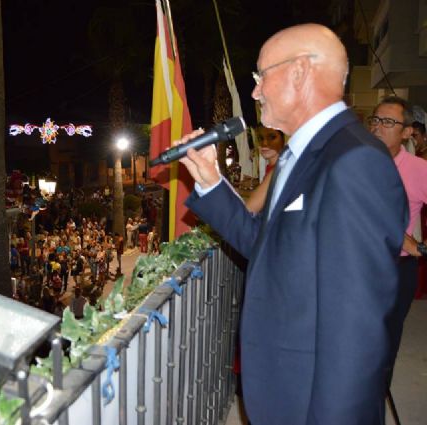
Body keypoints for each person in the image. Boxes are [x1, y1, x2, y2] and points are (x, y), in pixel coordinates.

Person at [178, 24, 408, 424]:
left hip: (311, 402)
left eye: (260, 76)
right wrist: (210, 182)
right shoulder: (297, 155)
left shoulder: (355, 161)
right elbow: (267, 247)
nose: (254, 91)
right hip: (283, 389)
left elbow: (358, 325)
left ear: (300, 72)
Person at [368, 96, 427, 353]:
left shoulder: (418, 169)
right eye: (376, 120)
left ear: (406, 132)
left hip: (396, 268)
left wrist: (421, 248)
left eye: (389, 122)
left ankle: (377, 392)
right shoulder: (354, 163)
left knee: (384, 344)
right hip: (354, 264)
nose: (378, 127)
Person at [245, 125, 286, 213]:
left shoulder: (281, 169)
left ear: (283, 140)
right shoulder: (270, 167)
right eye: (260, 138)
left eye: (272, 137)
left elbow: (262, 200)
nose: (265, 143)